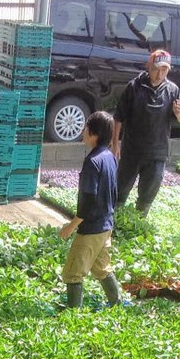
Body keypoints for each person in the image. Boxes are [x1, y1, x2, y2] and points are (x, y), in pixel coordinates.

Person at [110, 49, 180, 216]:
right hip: (132, 151)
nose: (160, 74)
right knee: (120, 192)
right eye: (156, 69)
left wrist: (178, 113)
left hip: (157, 154)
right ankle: (111, 223)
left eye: (164, 70)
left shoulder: (172, 90)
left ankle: (138, 224)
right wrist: (115, 144)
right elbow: (119, 117)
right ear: (149, 66)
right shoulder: (134, 87)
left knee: (146, 197)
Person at [59, 110, 122, 309]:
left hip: (92, 228)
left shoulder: (92, 162)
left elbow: (87, 200)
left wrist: (71, 226)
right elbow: (114, 193)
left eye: (86, 127)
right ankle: (116, 303)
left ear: (94, 134)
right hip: (106, 225)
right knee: (101, 267)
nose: (83, 130)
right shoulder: (110, 157)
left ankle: (72, 313)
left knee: (73, 272)